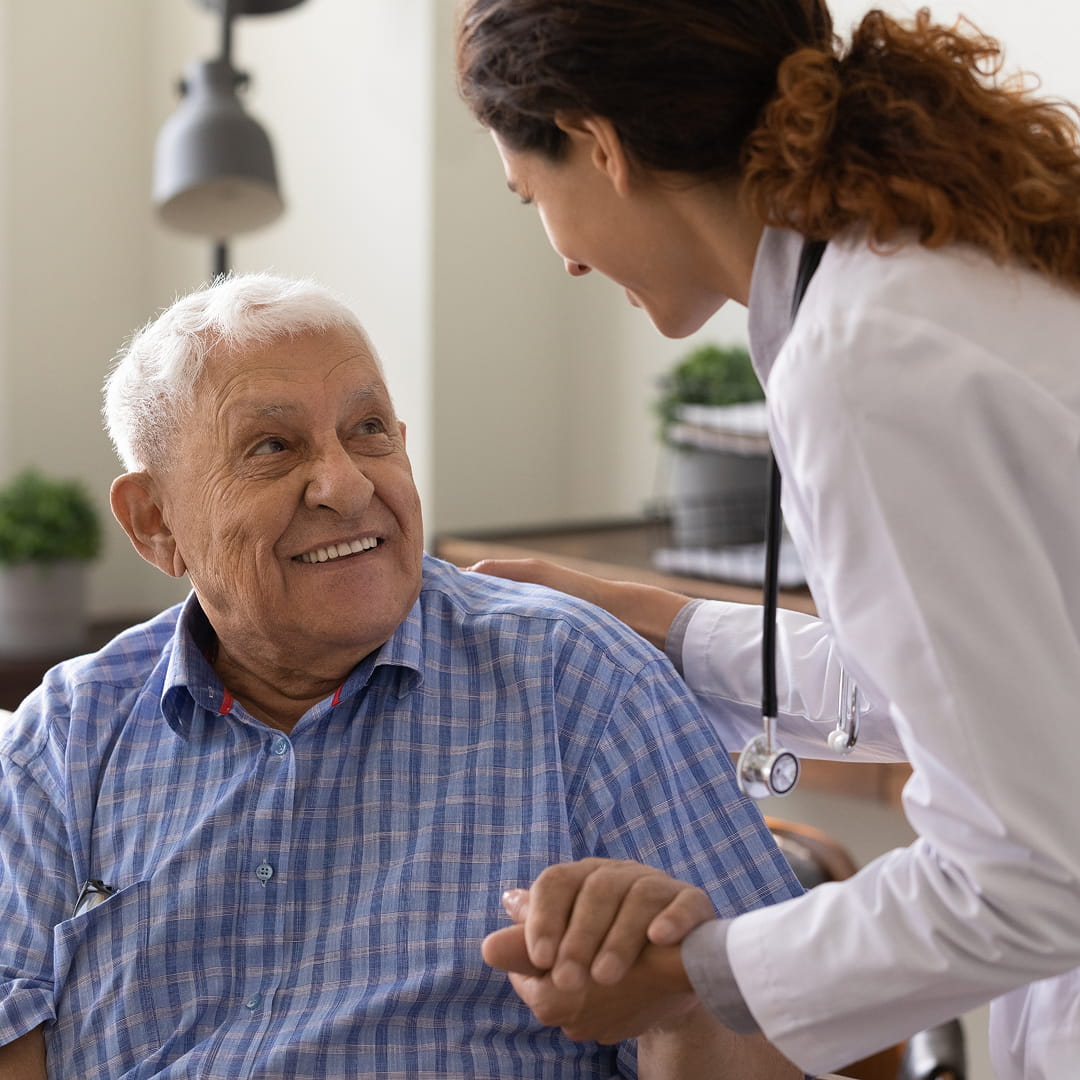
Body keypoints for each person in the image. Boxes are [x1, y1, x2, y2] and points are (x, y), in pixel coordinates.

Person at [455, 1, 1080, 1077]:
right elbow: (992, 682)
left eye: (530, 200)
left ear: (598, 146)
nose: (560, 258)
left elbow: (1027, 875)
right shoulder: (933, 265)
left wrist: (699, 976)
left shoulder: (866, 359)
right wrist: (668, 626)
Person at [0, 272, 803, 1078]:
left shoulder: (579, 684)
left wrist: (681, 1003)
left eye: (369, 430)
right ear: (155, 522)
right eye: (273, 447)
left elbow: (783, 1044)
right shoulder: (67, 735)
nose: (346, 485)